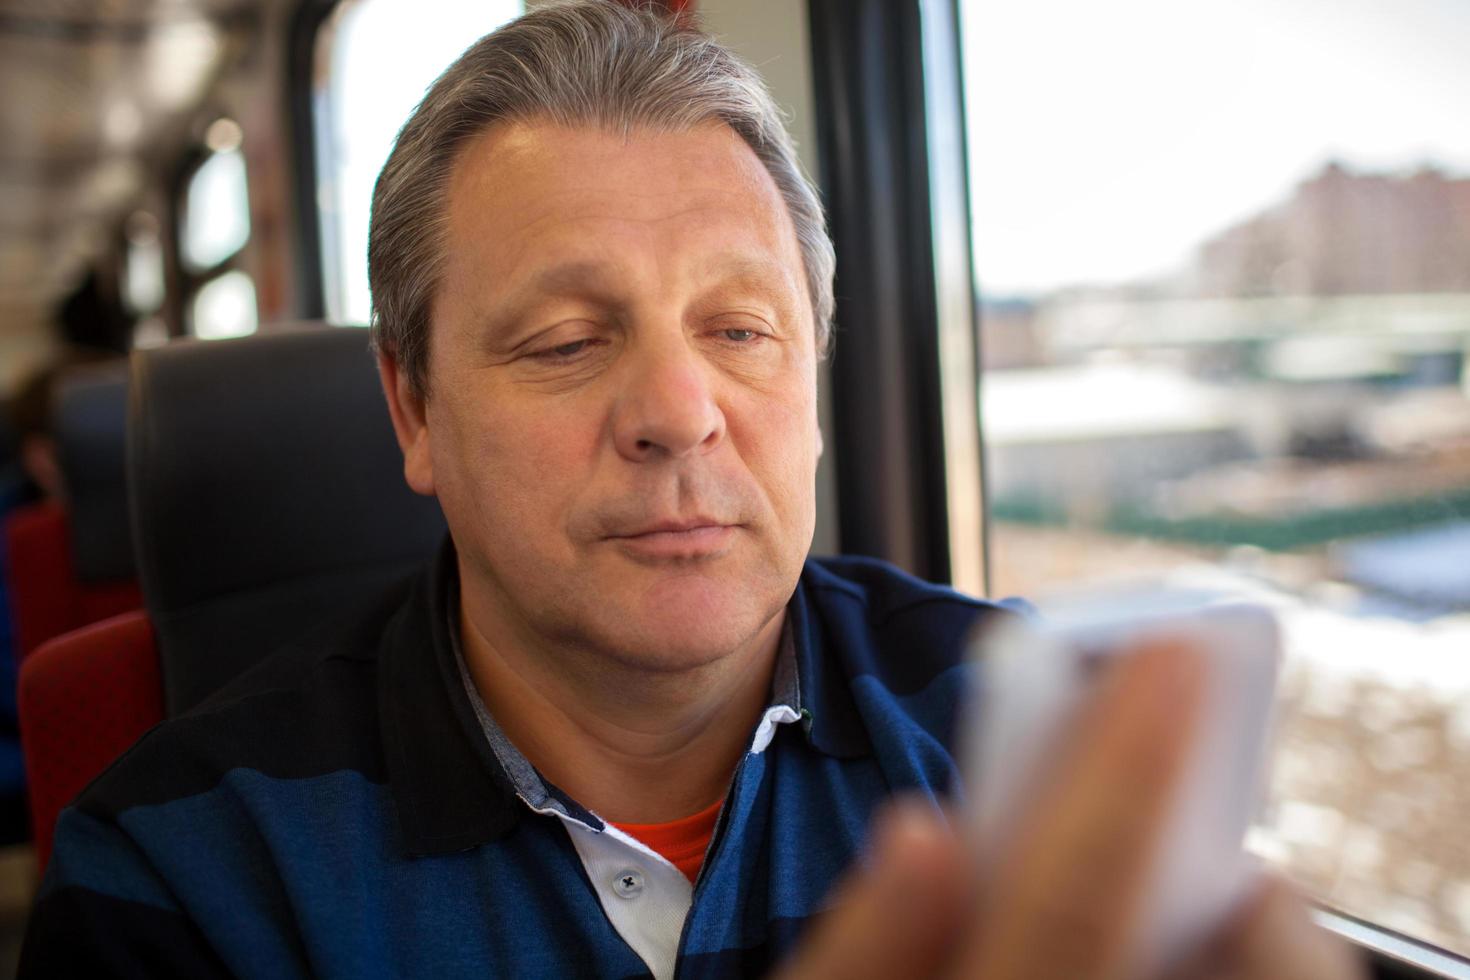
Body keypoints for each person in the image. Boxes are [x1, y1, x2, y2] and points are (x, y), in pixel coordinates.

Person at [21, 3, 1362, 977]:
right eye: (563, 342)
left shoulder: (1019, 740)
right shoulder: (187, 870)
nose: (678, 412)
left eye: (739, 332)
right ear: (413, 408)